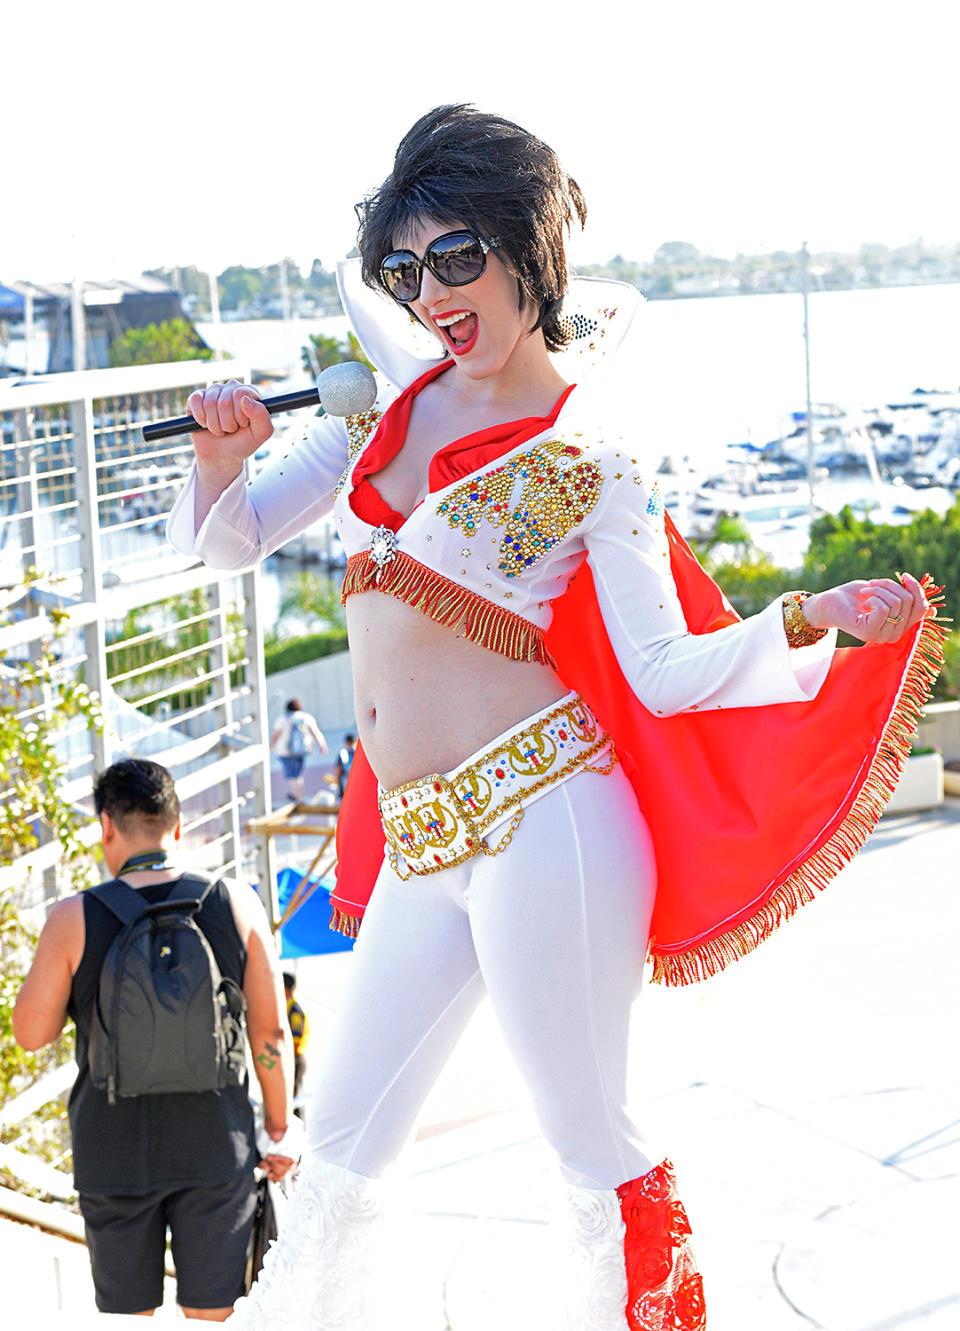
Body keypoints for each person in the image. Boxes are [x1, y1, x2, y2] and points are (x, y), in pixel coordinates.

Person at [166, 106, 940, 1330]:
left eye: (458, 257)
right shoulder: (381, 408)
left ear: (533, 251)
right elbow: (229, 544)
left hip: (551, 822)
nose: (432, 296)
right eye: (407, 271)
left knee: (589, 1135)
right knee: (342, 1149)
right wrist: (220, 456)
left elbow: (669, 669)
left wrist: (812, 613)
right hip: (425, 842)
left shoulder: (596, 452)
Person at [12, 758, 301, 1321]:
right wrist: (277, 1126)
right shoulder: (235, 902)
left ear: (105, 827)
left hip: (114, 1148)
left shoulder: (75, 917)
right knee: (217, 1313)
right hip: (218, 1143)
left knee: (127, 1319)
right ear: (176, 826)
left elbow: (31, 1034)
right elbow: (270, 1030)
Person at [270, 698, 328, 803]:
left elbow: (276, 734)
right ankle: (297, 794)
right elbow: (315, 732)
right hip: (301, 751)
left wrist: (271, 745)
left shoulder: (283, 719)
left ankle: (297, 796)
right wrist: (322, 745)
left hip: (285, 751)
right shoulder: (307, 718)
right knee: (298, 774)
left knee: (292, 775)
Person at [282, 971, 309, 1117]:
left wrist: (288, 1063)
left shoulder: (295, 1011)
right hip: (288, 1059)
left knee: (291, 1099)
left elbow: (295, 1042)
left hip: (294, 1059)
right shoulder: (285, 1007)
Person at [335, 733, 356, 799]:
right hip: (358, 783)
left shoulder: (343, 753)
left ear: (346, 742)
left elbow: (338, 771)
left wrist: (339, 788)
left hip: (346, 784)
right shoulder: (359, 753)